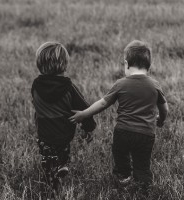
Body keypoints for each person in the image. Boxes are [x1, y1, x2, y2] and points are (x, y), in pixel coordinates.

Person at [69, 40, 168, 190]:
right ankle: (143, 184)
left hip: (123, 132)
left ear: (126, 63)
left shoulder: (121, 84)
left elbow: (102, 103)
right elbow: (164, 107)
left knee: (120, 156)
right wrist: (161, 119)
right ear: (149, 65)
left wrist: (83, 114)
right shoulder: (155, 85)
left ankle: (123, 177)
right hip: (146, 134)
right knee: (142, 163)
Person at [31, 42, 96, 191]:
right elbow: (83, 107)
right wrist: (88, 127)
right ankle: (60, 166)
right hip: (63, 131)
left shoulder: (36, 85)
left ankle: (51, 176)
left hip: (44, 132)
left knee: (47, 155)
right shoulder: (68, 87)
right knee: (62, 153)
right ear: (64, 65)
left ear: (39, 64)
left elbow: (35, 103)